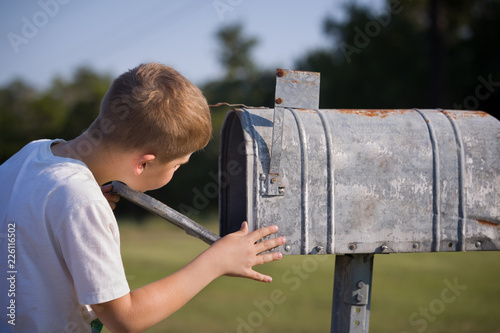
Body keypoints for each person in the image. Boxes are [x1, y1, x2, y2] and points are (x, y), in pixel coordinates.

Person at [0, 62, 285, 332]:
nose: (176, 172)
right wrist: (216, 262)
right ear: (143, 164)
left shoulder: (31, 155)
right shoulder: (82, 201)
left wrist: (74, 203)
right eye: (176, 165)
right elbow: (125, 318)